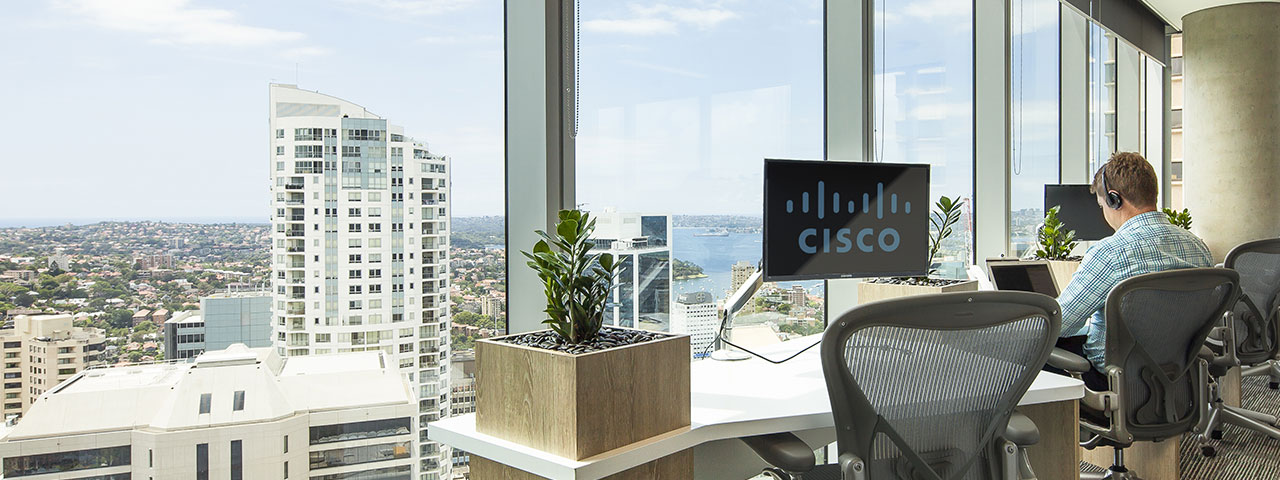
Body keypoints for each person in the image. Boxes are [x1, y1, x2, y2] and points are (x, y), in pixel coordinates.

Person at [1052, 152, 1213, 391]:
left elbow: (1060, 323)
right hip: (1177, 371)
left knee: (1032, 348)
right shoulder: (1198, 248)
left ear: (1114, 199)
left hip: (1113, 380)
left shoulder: (1110, 253)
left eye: (1101, 205)